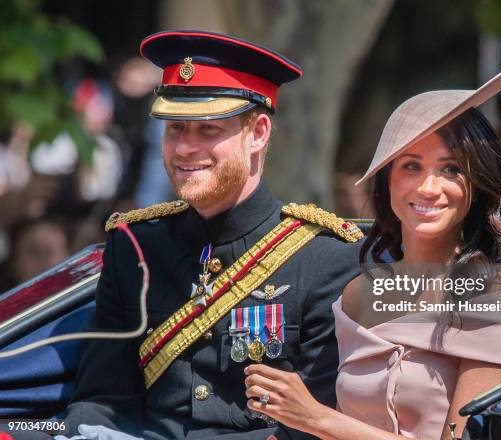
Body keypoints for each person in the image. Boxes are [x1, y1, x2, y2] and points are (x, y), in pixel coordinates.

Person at [63, 30, 363, 439]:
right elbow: (102, 402)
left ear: (257, 133)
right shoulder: (134, 246)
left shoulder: (326, 258)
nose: (185, 148)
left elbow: (317, 426)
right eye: (175, 129)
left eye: (207, 130)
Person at [243, 55, 501, 439]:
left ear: (477, 185)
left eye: (451, 169)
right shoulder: (358, 294)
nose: (428, 187)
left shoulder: (496, 300)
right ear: (389, 183)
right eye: (411, 166)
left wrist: (316, 418)